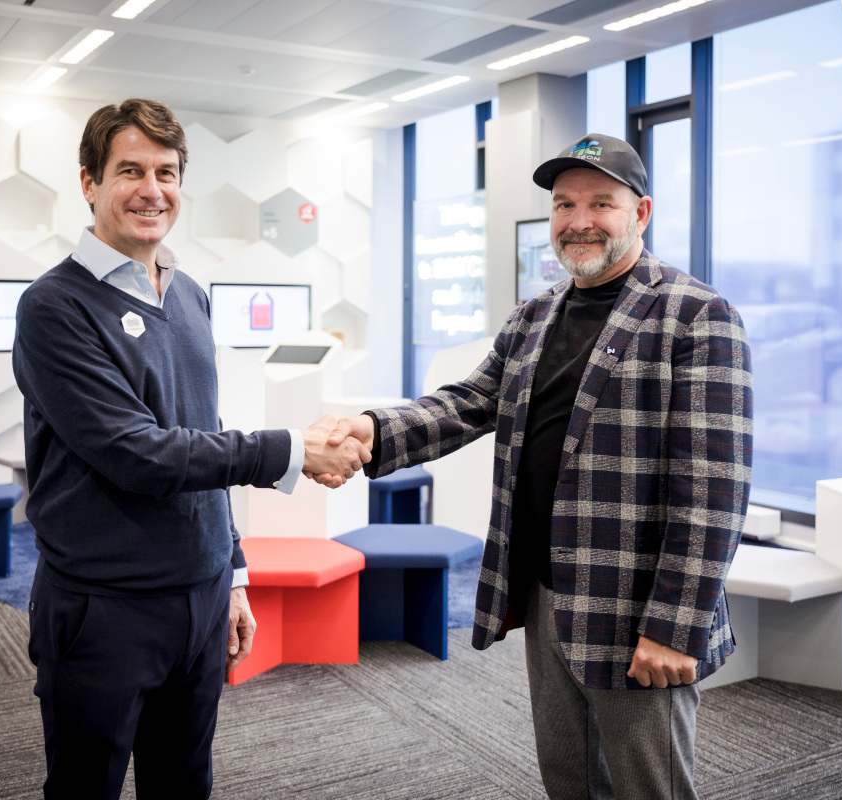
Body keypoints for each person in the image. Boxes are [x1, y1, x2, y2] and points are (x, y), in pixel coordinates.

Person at [322, 133, 753, 800]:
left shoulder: (697, 315)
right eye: (564, 205)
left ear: (640, 213)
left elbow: (713, 491)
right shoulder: (536, 314)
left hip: (636, 605)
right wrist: (374, 430)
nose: (579, 221)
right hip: (548, 592)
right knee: (568, 778)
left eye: (600, 203)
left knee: (651, 788)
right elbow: (468, 403)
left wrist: (674, 625)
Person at [12, 98, 367, 800]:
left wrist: (230, 572)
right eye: (130, 170)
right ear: (89, 182)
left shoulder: (189, 295)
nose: (152, 190)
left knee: (184, 784)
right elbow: (136, 453)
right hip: (105, 607)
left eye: (167, 172)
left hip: (200, 598)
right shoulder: (54, 307)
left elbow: (201, 430)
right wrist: (291, 450)